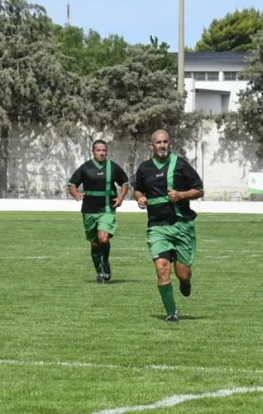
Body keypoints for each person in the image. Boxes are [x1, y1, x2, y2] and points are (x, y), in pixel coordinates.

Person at [132, 130, 205, 323]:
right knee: (162, 267)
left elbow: (199, 190)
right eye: (158, 142)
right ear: (152, 146)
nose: (162, 145)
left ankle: (185, 281)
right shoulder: (145, 168)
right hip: (157, 227)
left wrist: (181, 196)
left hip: (182, 225)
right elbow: (137, 189)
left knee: (182, 272)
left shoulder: (180, 165)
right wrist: (140, 198)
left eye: (165, 142)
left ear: (169, 143)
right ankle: (172, 312)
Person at [67, 140, 130, 283]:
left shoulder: (112, 167)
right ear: (93, 151)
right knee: (95, 243)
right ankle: (99, 271)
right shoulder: (85, 168)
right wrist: (75, 193)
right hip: (89, 210)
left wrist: (121, 197)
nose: (102, 153)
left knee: (103, 239)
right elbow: (72, 183)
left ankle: (105, 262)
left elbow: (125, 182)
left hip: (107, 209)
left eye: (104, 150)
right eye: (99, 150)